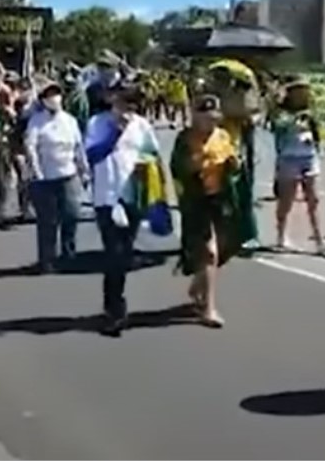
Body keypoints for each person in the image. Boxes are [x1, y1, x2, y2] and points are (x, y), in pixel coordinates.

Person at [85, 81, 160, 336]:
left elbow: (153, 154)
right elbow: (93, 155)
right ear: (111, 99)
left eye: (131, 102)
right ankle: (114, 308)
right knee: (114, 254)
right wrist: (115, 133)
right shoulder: (97, 124)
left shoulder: (141, 126)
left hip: (132, 198)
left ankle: (116, 299)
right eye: (122, 101)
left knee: (125, 254)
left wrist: (146, 166)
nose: (127, 107)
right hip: (107, 199)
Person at [169, 95, 244, 328]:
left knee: (222, 247)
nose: (210, 122)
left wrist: (233, 163)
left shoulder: (222, 136)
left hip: (220, 197)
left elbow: (235, 165)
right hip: (196, 199)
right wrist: (201, 160)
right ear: (196, 117)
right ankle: (208, 308)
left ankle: (198, 284)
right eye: (205, 118)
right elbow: (178, 167)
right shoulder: (185, 139)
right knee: (209, 250)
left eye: (213, 118)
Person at [24, 80, 88, 272]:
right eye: (49, 95)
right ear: (42, 100)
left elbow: (78, 146)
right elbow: (30, 146)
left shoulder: (70, 120)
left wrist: (84, 169)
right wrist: (36, 169)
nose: (54, 98)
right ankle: (47, 260)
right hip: (45, 178)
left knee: (71, 215)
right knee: (47, 222)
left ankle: (68, 255)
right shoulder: (37, 121)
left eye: (57, 94)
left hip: (68, 174)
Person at [272, 79, 325, 256]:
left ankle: (319, 239)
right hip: (289, 159)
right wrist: (295, 120)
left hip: (309, 158)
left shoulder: (311, 113)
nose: (303, 94)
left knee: (313, 199)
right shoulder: (281, 114)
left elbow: (318, 134)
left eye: (305, 91)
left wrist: (320, 137)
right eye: (299, 91)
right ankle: (281, 236)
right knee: (287, 200)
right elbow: (279, 127)